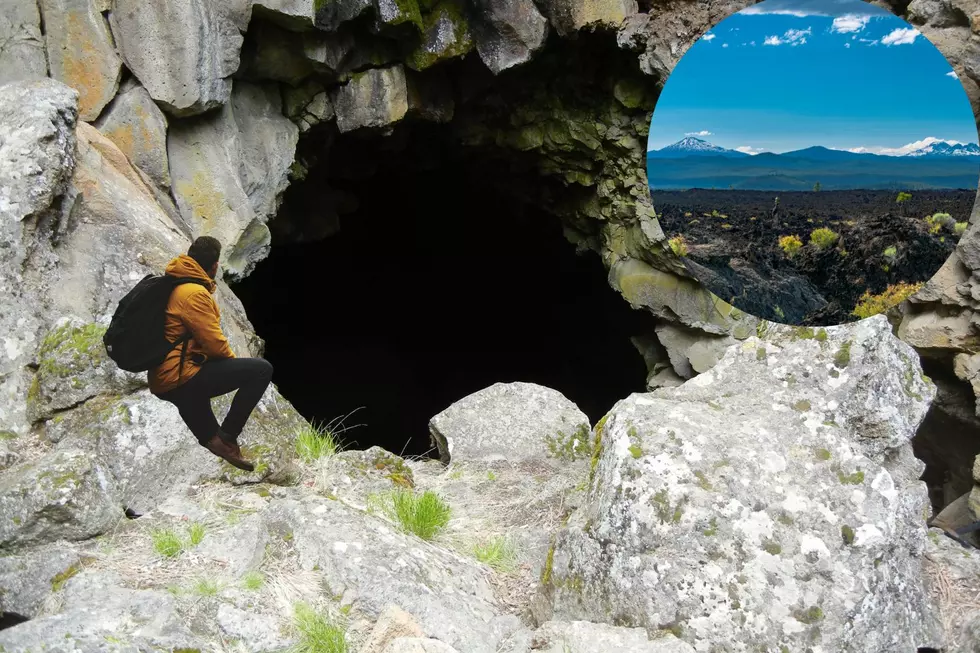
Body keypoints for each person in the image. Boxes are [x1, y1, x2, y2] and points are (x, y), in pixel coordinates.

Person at [149, 236, 273, 472]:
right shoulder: (194, 293)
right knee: (260, 370)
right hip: (179, 376)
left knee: (200, 407)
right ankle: (228, 436)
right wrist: (232, 368)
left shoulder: (175, 283)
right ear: (215, 265)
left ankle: (217, 441)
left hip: (164, 377)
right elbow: (213, 342)